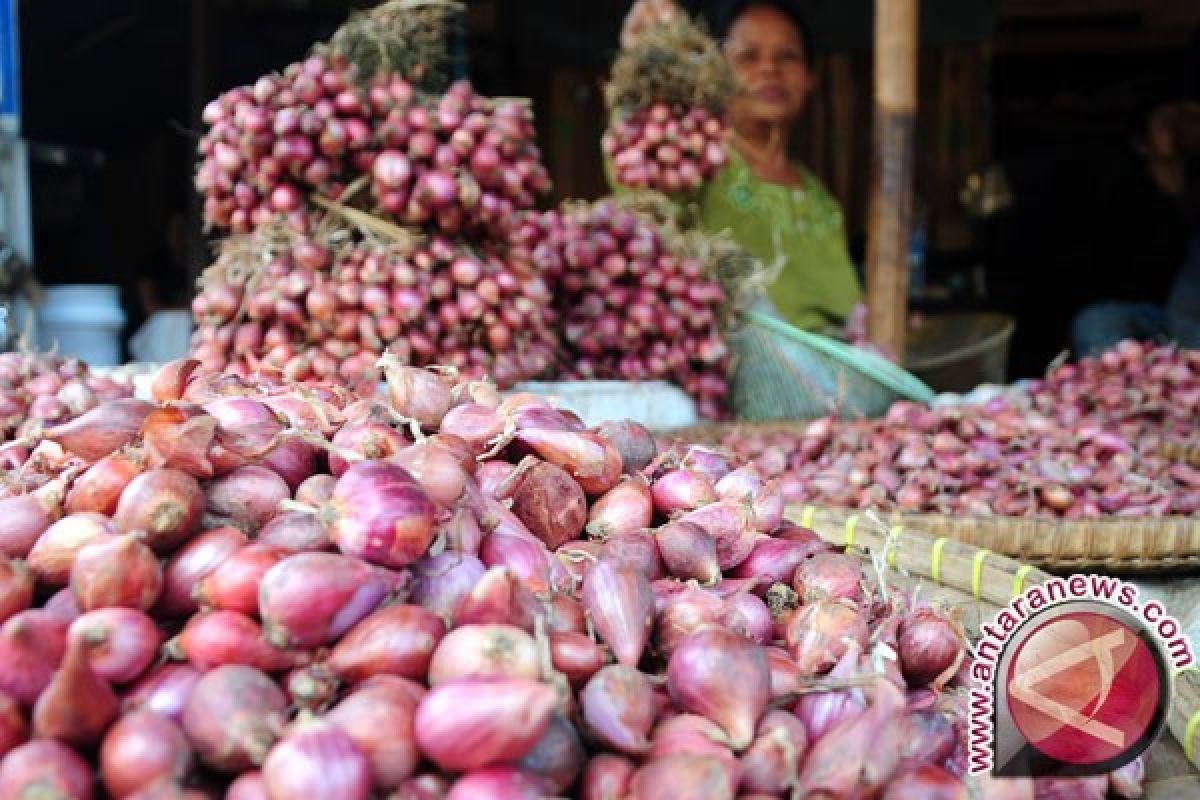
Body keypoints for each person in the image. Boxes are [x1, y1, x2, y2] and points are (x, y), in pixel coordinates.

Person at [617, 0, 863, 335]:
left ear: (810, 78)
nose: (769, 69)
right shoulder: (695, 162)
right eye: (748, 56)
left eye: (787, 56)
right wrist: (642, 68)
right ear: (716, 74)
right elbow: (641, 177)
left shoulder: (819, 198)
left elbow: (850, 313)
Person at [1071, 102, 1200, 357]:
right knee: (1094, 323)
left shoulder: (1195, 181)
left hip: (1188, 311)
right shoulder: (1124, 192)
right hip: (1155, 312)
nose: (1175, 131)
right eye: (1164, 125)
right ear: (1142, 145)